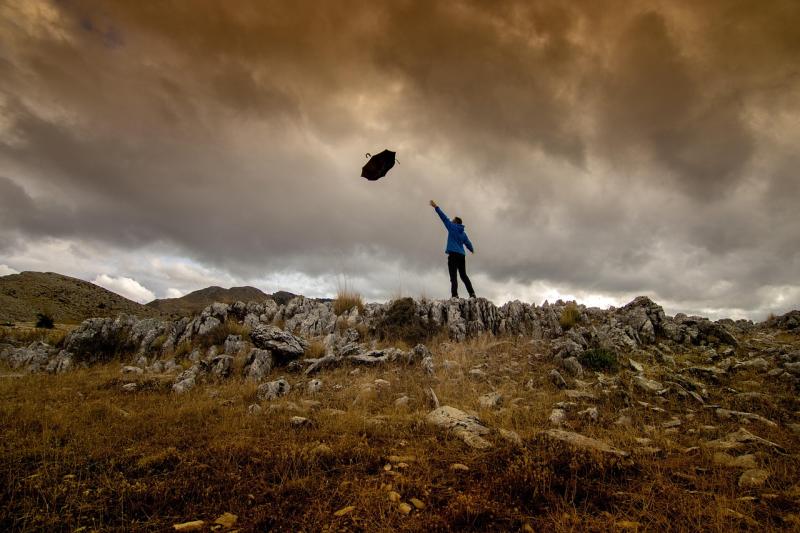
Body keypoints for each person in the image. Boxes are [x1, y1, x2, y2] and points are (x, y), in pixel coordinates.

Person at [429, 200, 476, 298]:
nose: (451, 220)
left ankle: (455, 296)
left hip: (453, 255)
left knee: (453, 276)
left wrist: (436, 207)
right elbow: (468, 243)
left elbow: (443, 217)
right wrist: (472, 249)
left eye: (453, 220)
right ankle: (472, 293)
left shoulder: (451, 226)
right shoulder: (463, 233)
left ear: (455, 222)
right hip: (461, 256)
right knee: (463, 275)